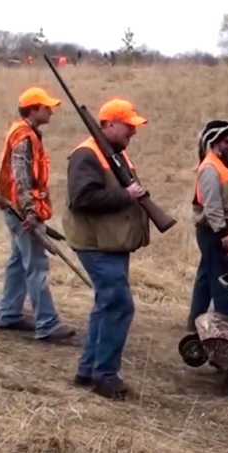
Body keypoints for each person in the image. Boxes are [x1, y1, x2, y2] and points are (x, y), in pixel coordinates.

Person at [63, 98, 150, 399]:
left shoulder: (114, 154)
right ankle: (106, 376)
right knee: (119, 305)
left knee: (106, 304)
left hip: (111, 242)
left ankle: (88, 370)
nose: (133, 133)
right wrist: (126, 196)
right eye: (128, 126)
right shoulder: (87, 155)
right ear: (110, 125)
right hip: (96, 243)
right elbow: (82, 199)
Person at [0, 87, 76, 342]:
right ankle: (47, 324)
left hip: (14, 207)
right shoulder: (24, 136)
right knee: (36, 266)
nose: (50, 110)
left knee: (18, 262)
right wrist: (29, 211)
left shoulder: (24, 132)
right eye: (45, 107)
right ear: (33, 110)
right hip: (21, 210)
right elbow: (20, 176)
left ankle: (8, 314)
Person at [187, 120, 228, 332]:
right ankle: (227, 323)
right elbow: (212, 205)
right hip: (212, 232)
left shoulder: (222, 165)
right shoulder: (211, 168)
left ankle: (194, 320)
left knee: (206, 275)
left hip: (219, 231)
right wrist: (223, 233)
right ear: (214, 142)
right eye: (226, 141)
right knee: (220, 279)